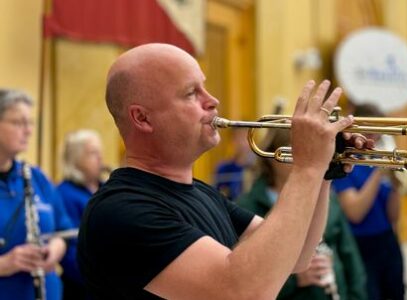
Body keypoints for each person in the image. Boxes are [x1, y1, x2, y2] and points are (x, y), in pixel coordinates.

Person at [77, 43, 371, 299]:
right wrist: (307, 167)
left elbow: (298, 255)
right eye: (192, 93)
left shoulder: (203, 192)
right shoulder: (120, 211)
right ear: (142, 118)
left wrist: (323, 172)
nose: (212, 100)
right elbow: (244, 292)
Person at [237, 128, 367, 300]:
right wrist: (295, 279)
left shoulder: (329, 199)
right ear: (274, 156)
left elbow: (351, 260)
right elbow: (243, 281)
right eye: (297, 149)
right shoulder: (247, 205)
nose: (306, 156)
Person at [0, 89, 72, 300]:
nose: (29, 130)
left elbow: (63, 230)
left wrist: (54, 250)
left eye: (30, 122)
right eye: (19, 122)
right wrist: (5, 264)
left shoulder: (36, 177)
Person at [331, 103, 405, 300]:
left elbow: (393, 216)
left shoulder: (376, 158)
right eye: (369, 131)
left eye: (378, 132)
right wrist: (379, 173)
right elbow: (355, 213)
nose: (374, 137)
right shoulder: (345, 163)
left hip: (387, 241)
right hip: (359, 245)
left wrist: (397, 186)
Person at [57, 129, 104, 299]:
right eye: (93, 153)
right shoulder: (64, 194)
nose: (100, 158)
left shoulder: (107, 188)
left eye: (100, 152)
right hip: (82, 287)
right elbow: (68, 249)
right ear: (76, 159)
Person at [214, 128, 255, 200]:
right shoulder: (224, 168)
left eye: (245, 138)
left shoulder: (256, 166)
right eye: (238, 138)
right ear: (232, 141)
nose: (241, 143)